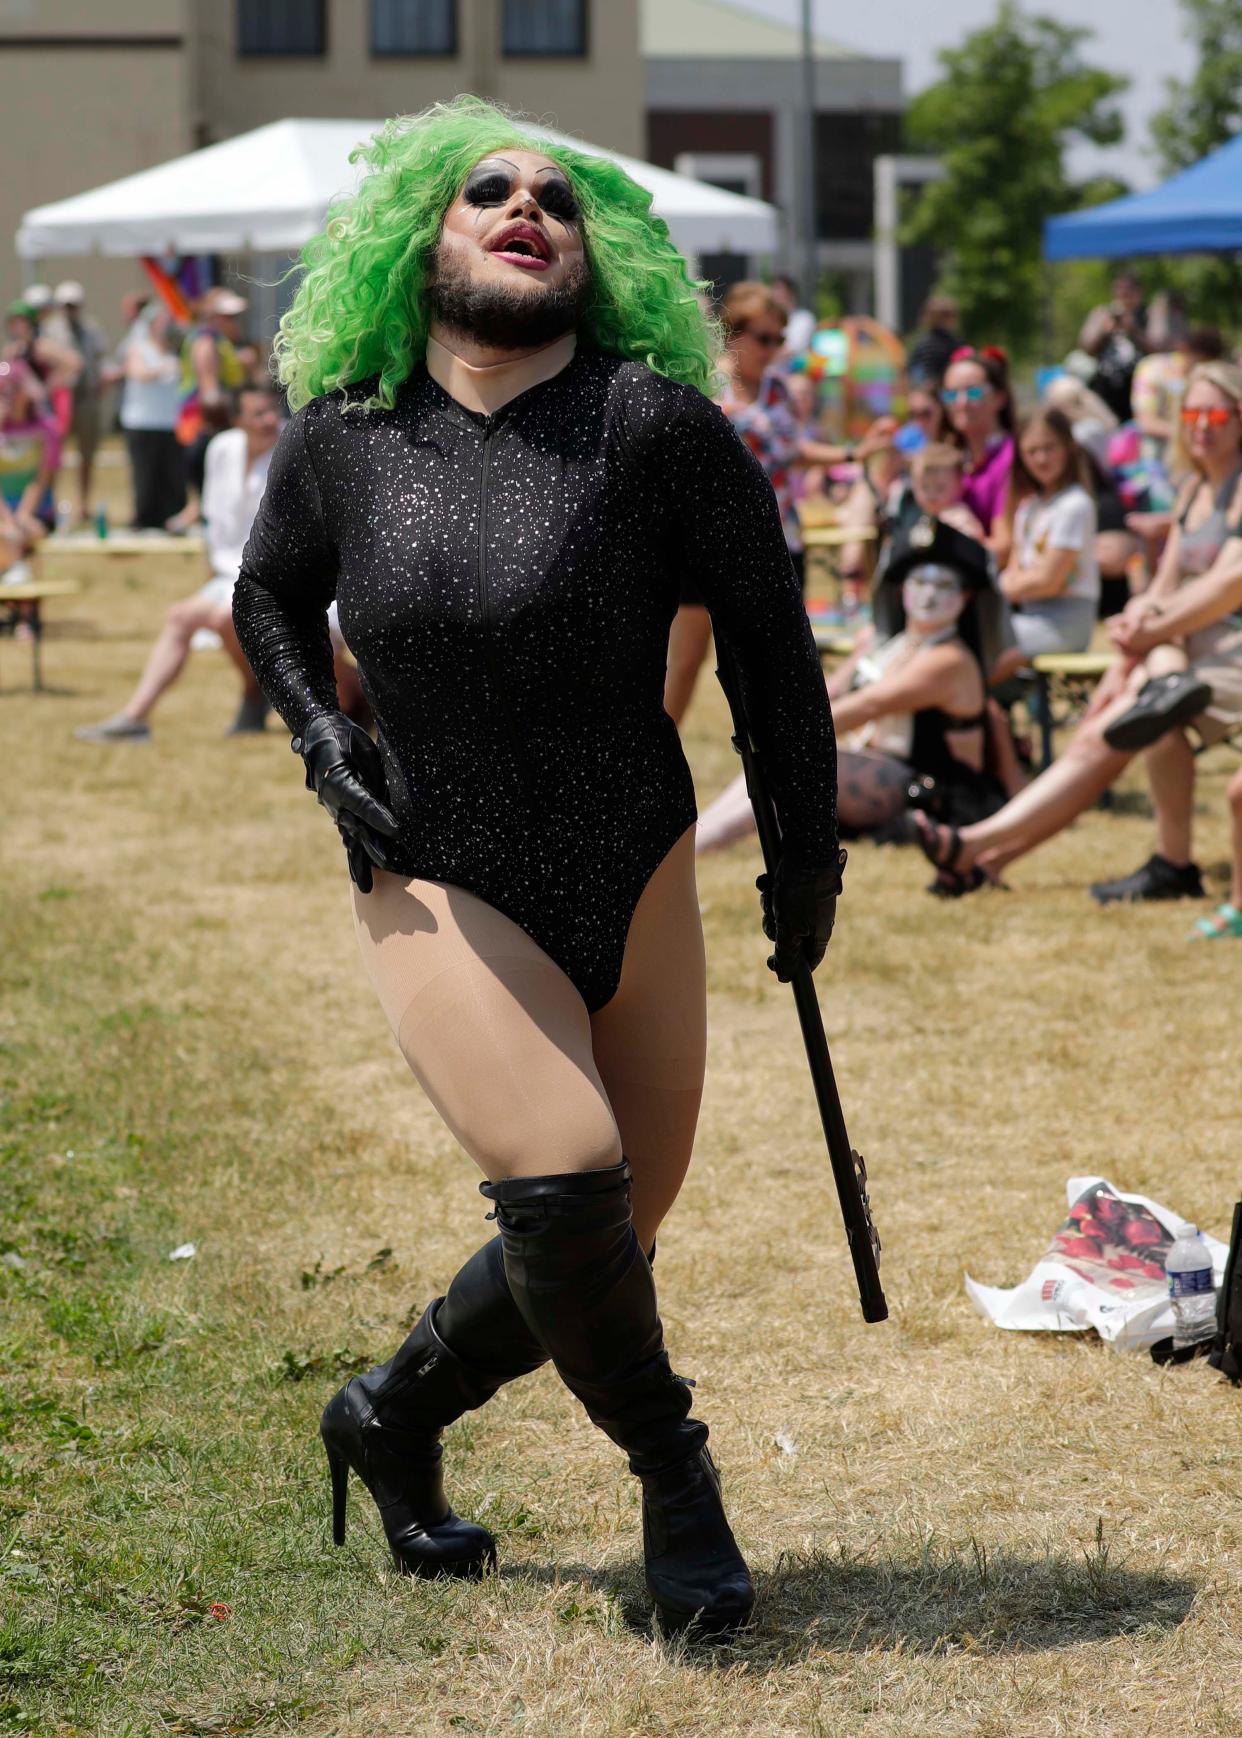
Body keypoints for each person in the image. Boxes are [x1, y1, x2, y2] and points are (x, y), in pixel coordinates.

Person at [230, 96, 843, 1639]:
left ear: (600, 252)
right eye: (485, 191)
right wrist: (320, 737)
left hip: (633, 865)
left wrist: (805, 849)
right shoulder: (348, 435)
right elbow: (268, 595)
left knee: (604, 1232)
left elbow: (770, 648)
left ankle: (386, 1410)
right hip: (436, 867)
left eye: (559, 199)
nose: (525, 207)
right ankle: (676, 1475)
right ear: (412, 241)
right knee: (566, 1177)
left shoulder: (656, 429)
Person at [912, 362, 1242, 901]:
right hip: (1179, 651)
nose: (1201, 424)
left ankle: (979, 848)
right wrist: (1141, 618)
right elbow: (1163, 583)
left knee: (1114, 730)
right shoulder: (1192, 490)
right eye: (1192, 412)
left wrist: (1147, 631)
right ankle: (988, 855)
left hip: (1226, 654)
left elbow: (1230, 584)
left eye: (1215, 413)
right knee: (1123, 725)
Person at [663, 281, 892, 724]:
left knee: (768, 669)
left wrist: (852, 454)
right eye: (764, 338)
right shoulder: (705, 385)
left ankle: (766, 775)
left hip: (775, 540)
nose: (773, 349)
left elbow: (793, 451)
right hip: (704, 544)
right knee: (684, 662)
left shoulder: (780, 391)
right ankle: (655, 756)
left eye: (780, 338)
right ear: (735, 333)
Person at [697, 522, 1005, 850]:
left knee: (797, 760)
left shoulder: (950, 659)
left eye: (944, 585)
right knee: (774, 760)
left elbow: (867, 706)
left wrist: (786, 732)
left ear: (966, 595)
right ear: (901, 589)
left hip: (935, 790)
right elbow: (826, 693)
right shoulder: (886, 643)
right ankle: (696, 837)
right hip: (876, 769)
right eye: (919, 581)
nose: (929, 595)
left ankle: (699, 847)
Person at [75, 384, 281, 741]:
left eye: (271, 412)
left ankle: (255, 694)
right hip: (229, 575)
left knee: (223, 618)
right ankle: (135, 718)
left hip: (271, 578)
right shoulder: (222, 449)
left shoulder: (287, 453)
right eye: (258, 414)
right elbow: (215, 520)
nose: (269, 421)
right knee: (181, 617)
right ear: (237, 420)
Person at [998, 408, 1099, 662]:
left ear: (1068, 448)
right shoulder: (1028, 508)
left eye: (1049, 448)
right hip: (1028, 615)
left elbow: (1048, 580)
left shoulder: (1075, 504)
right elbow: (1015, 569)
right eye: (1032, 451)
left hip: (1065, 624)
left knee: (980, 646)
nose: (1041, 459)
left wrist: (996, 588)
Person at [167, 286, 253, 534]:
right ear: (213, 316)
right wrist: (222, 420)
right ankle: (195, 516)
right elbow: (209, 388)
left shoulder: (218, 340)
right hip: (203, 419)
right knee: (208, 468)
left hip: (205, 418)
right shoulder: (206, 340)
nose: (234, 322)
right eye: (228, 317)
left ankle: (197, 515)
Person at [119, 303, 188, 530]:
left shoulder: (173, 351)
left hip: (169, 423)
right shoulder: (138, 348)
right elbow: (138, 373)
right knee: (145, 474)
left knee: (170, 474)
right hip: (142, 422)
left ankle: (171, 518)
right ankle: (144, 518)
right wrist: (162, 369)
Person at [941, 346, 1015, 556]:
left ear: (1000, 397)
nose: (961, 403)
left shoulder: (1012, 456)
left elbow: (1003, 546)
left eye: (973, 392)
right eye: (951, 395)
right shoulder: (949, 457)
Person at [51, 281, 110, 526]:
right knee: (54, 455)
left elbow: (100, 361)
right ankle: (53, 504)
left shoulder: (91, 329)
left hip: (86, 398)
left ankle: (83, 504)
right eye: (66, 305)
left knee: (87, 454)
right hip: (61, 399)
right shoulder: (51, 330)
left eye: (74, 305)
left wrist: (100, 388)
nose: (70, 310)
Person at [0, 358, 58, 583]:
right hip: (4, 515)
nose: (7, 393)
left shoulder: (46, 429)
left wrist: (22, 515)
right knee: (7, 535)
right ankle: (24, 609)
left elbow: (42, 480)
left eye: (13, 387)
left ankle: (24, 609)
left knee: (14, 535)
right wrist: (7, 519)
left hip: (36, 513)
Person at [1079, 271, 1150, 421]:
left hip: (1139, 387)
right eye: (1119, 289)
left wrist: (1133, 331)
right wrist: (1104, 332)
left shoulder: (1148, 315)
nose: (1123, 294)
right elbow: (1085, 347)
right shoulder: (1102, 313)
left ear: (1139, 292)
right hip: (1105, 386)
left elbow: (1157, 349)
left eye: (1129, 289)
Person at [907, 294, 961, 386]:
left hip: (926, 389)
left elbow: (912, 369)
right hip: (947, 388)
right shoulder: (954, 343)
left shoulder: (922, 342)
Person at [771, 271, 815, 355]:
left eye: (779, 289)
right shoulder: (767, 318)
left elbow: (792, 349)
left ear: (791, 293)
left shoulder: (804, 318)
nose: (774, 294)